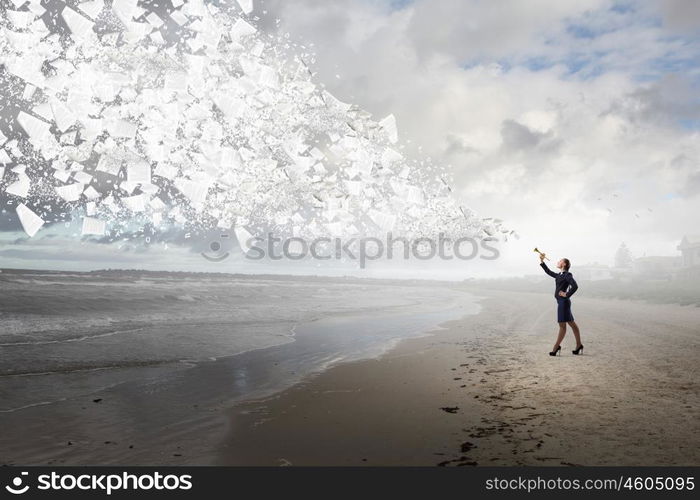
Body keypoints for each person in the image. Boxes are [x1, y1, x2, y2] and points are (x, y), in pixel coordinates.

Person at [539, 254, 584, 356]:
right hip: (561, 302)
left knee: (562, 326)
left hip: (564, 303)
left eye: (560, 261)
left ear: (564, 264)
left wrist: (566, 294)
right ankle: (579, 345)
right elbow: (548, 272)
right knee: (572, 324)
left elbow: (575, 286)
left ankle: (556, 347)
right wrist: (542, 261)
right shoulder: (559, 275)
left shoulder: (567, 275)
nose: (558, 262)